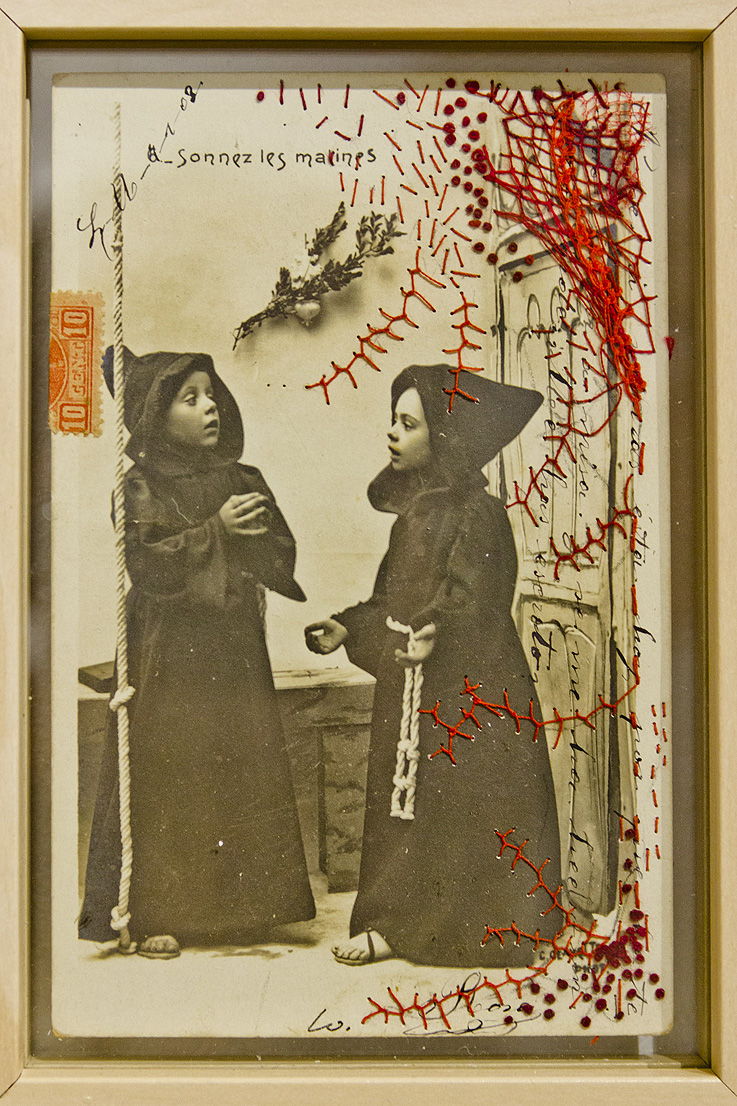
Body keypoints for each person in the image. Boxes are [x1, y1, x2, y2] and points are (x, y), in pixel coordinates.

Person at [306, 364, 562, 968]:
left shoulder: (480, 513)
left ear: (445, 438)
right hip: (414, 683)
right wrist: (351, 625)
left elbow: (476, 594)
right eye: (393, 421)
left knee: (455, 805)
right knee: (405, 808)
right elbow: (389, 601)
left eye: (408, 423)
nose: (392, 434)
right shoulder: (414, 516)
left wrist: (436, 631)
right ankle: (394, 921)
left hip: (468, 690)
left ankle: (455, 927)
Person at [79, 348, 315, 958]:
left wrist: (255, 540)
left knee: (238, 761)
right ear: (157, 417)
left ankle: (247, 909)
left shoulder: (243, 479)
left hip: (233, 651)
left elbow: (280, 553)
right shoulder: (139, 486)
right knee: (173, 769)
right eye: (191, 399)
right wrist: (217, 531)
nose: (210, 407)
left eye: (211, 395)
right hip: (170, 655)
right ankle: (160, 910)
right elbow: (146, 564)